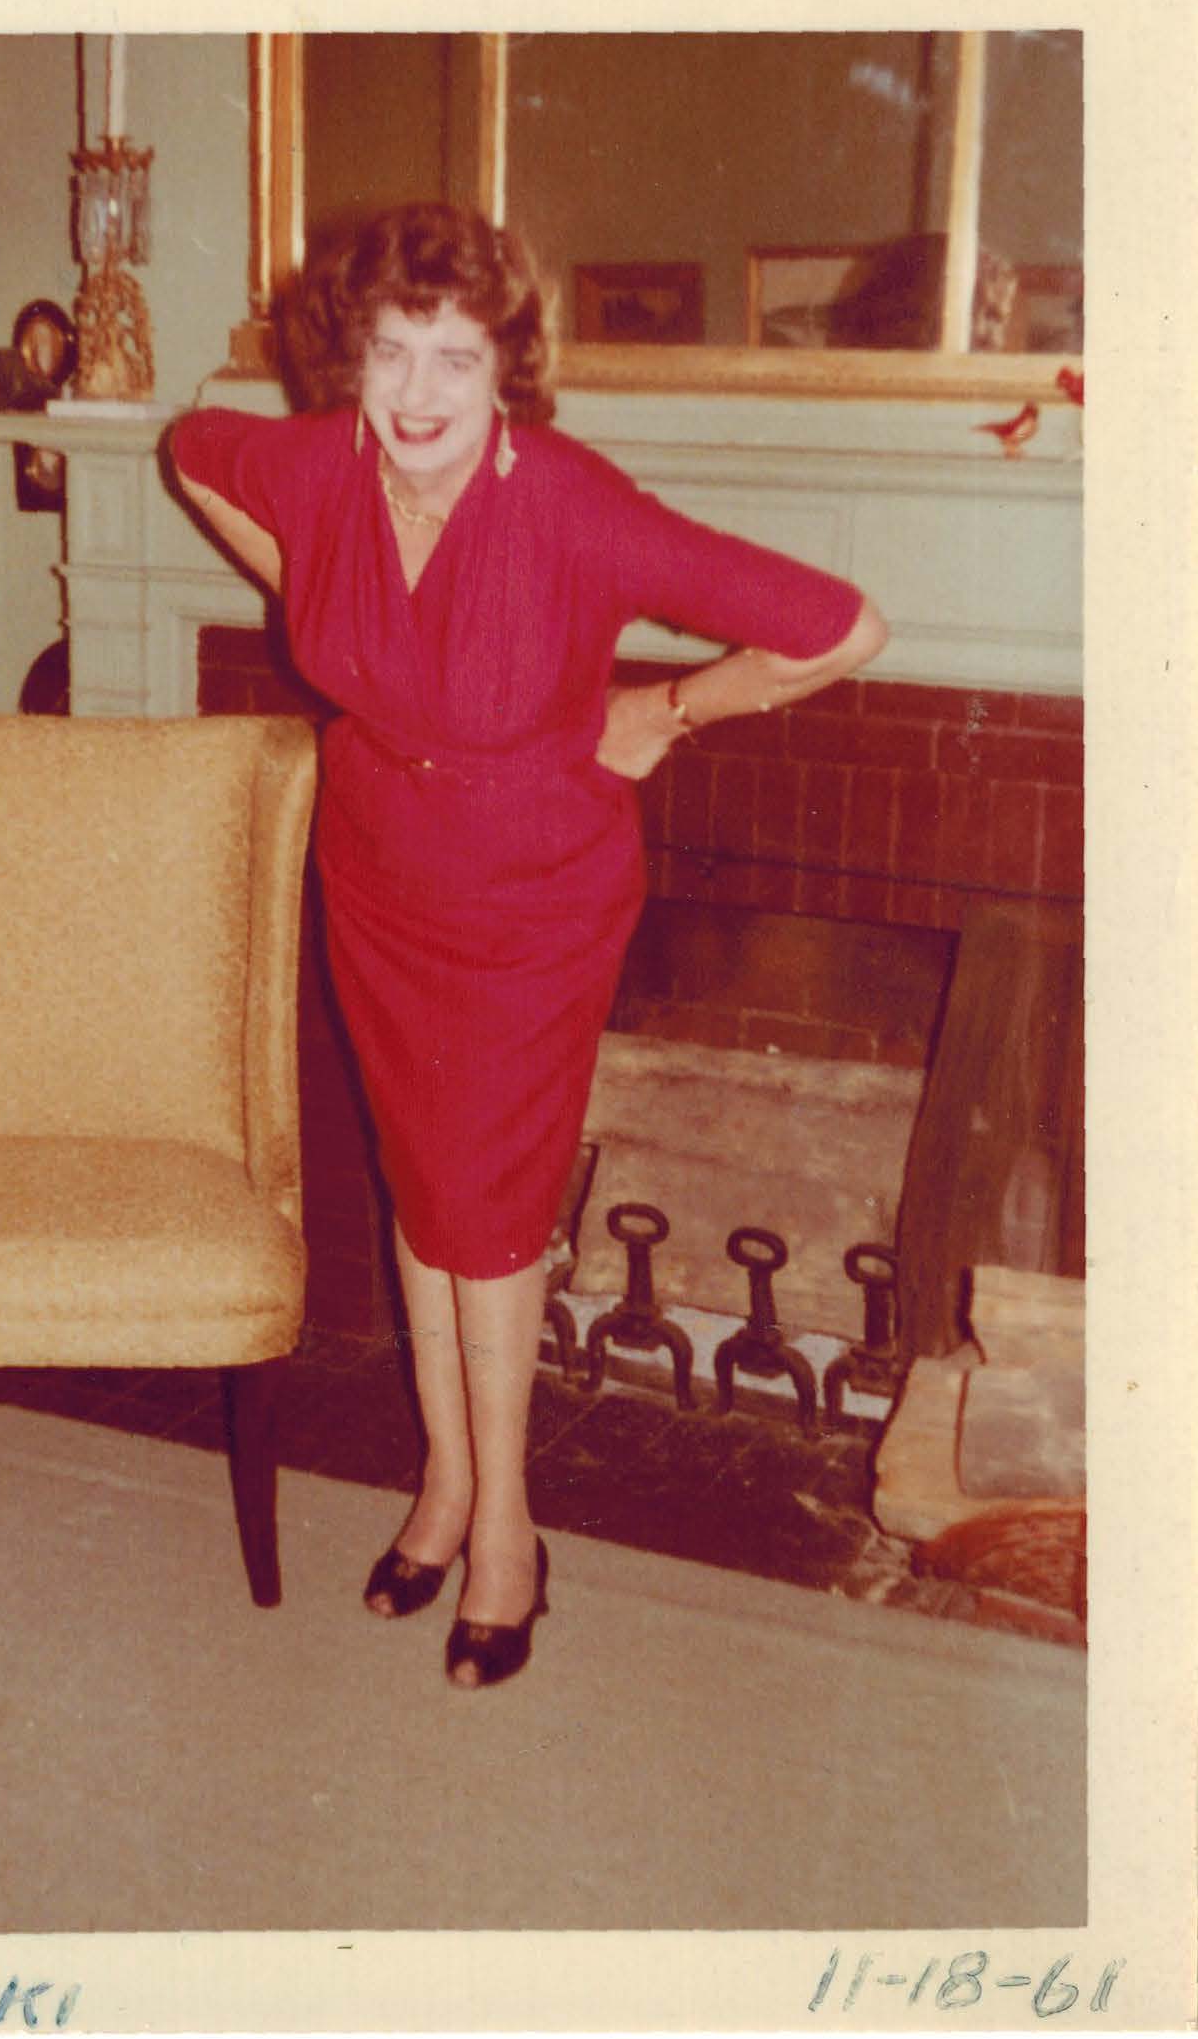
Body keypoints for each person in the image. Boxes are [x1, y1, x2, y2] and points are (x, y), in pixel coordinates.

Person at [169, 202, 888, 1691]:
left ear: (507, 366)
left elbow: (843, 624)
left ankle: (507, 1529)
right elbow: (188, 448)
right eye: (391, 352)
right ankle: (445, 1484)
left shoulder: (569, 502)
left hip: (531, 899)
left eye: (456, 357)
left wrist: (664, 709)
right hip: (376, 866)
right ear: (352, 357)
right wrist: (301, 579)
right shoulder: (318, 464)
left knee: (485, 1214)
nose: (419, 392)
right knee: (422, 1186)